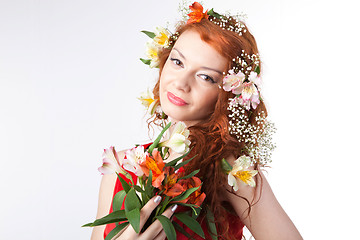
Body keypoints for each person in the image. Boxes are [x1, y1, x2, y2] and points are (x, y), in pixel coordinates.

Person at [91, 2, 303, 240]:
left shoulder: (229, 170)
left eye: (206, 77)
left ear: (228, 95)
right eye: (177, 62)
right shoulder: (119, 165)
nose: (181, 83)